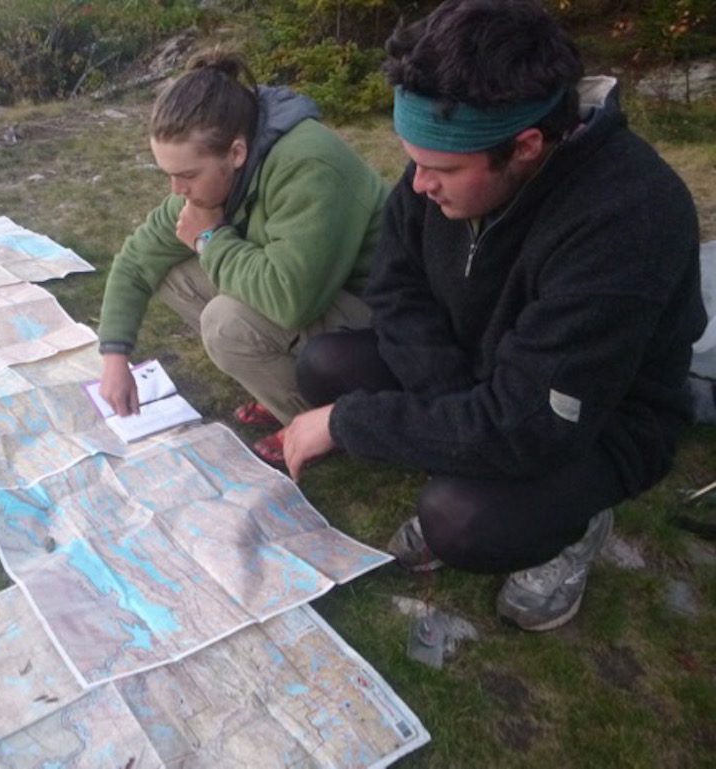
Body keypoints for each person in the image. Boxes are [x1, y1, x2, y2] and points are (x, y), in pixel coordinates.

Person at [283, 0, 705, 631]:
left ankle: (577, 528)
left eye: (442, 169)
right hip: (483, 368)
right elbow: (397, 289)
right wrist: (454, 412)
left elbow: (529, 426)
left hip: (600, 417)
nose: (419, 184)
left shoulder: (630, 218)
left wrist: (351, 424)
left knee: (461, 518)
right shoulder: (454, 151)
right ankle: (473, 454)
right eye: (414, 160)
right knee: (323, 364)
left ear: (527, 145)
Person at [96, 52, 390, 461]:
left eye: (187, 175)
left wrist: (212, 240)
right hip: (322, 299)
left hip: (384, 326)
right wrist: (115, 358)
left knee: (226, 322)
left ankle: (322, 425)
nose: (176, 190)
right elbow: (135, 261)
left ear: (235, 153)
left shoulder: (308, 164)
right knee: (171, 273)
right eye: (169, 174)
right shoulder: (216, 174)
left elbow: (290, 299)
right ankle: (281, 389)